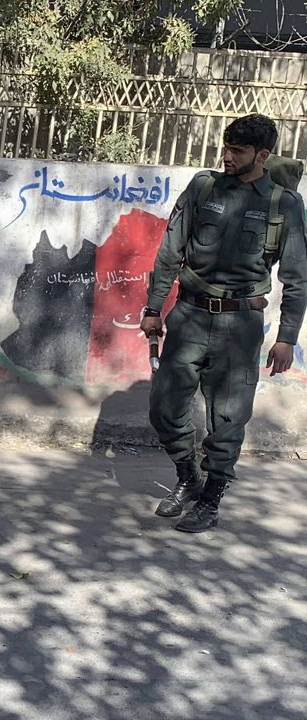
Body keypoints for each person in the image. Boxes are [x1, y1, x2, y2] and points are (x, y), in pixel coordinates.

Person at [141, 113, 306, 533]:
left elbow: (296, 277)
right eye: (226, 147)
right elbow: (169, 249)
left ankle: (210, 498)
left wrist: (287, 337)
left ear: (262, 156)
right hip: (190, 315)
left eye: (238, 151)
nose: (227, 156)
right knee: (164, 409)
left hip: (241, 325)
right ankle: (188, 477)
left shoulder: (282, 204)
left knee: (229, 418)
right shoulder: (204, 187)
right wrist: (154, 308)